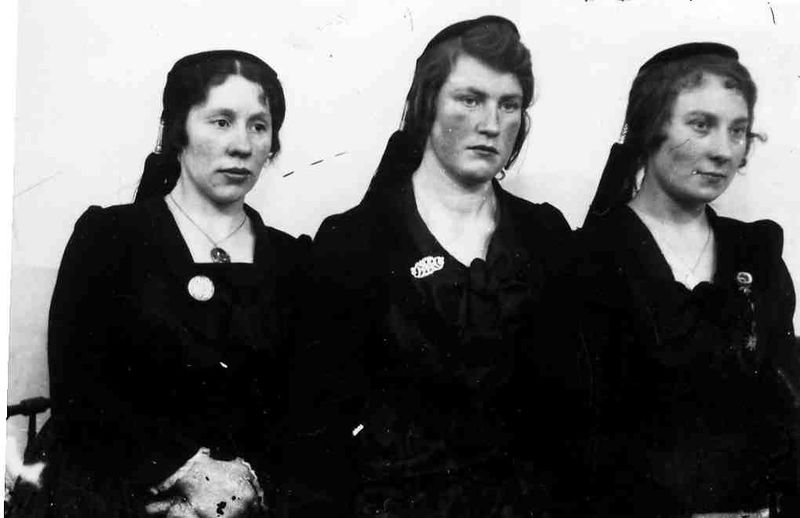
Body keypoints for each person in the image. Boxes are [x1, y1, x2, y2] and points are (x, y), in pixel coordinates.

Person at [294, 15, 591, 517]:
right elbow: (317, 432)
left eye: (509, 104)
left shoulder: (545, 236)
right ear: (427, 104)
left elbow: (573, 418)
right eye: (469, 100)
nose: (491, 124)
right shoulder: (356, 240)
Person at [13, 50, 308, 518]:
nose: (242, 144)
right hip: (118, 496)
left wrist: (248, 486)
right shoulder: (110, 239)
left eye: (259, 126)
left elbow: (307, 413)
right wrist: (181, 473)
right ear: (179, 131)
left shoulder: (293, 260)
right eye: (221, 121)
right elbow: (80, 395)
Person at [577, 42, 800, 517]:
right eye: (701, 125)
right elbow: (577, 445)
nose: (723, 151)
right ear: (650, 128)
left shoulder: (756, 255)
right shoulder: (590, 260)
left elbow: (785, 410)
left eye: (737, 131)